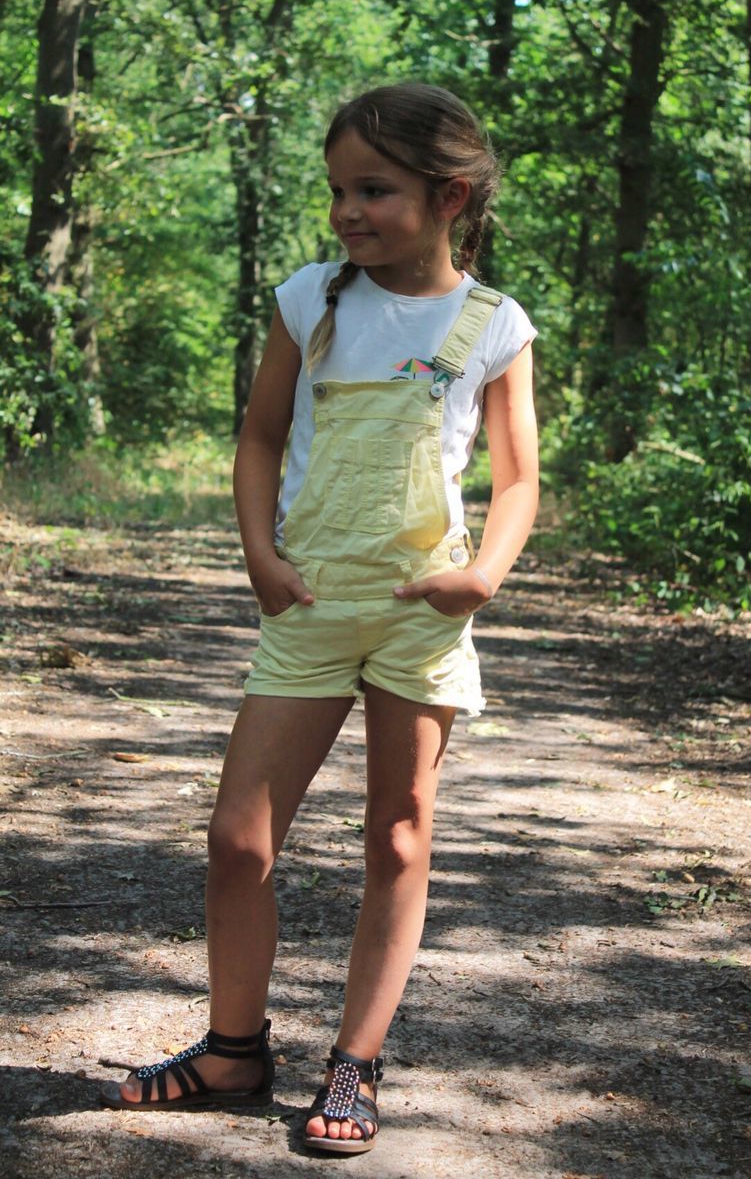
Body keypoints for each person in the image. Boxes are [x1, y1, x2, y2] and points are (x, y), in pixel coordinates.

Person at [100, 83, 539, 1154]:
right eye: (338, 188)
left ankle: (357, 1059)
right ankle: (234, 1047)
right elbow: (258, 437)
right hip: (310, 597)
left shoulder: (493, 323)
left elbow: (520, 478)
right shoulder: (312, 300)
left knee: (397, 833)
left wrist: (481, 572)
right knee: (237, 835)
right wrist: (259, 552)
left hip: (418, 610)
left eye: (373, 189)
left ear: (451, 196)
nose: (347, 209)